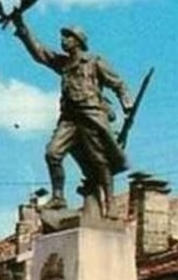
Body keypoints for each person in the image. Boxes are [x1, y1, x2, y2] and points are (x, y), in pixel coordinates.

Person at [11, 16, 134, 215]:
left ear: (78, 41)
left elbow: (117, 83)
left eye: (67, 38)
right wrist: (22, 27)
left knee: (99, 160)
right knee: (53, 153)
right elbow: (41, 53)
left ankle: (110, 203)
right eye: (62, 38)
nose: (63, 41)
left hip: (90, 115)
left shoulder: (94, 61)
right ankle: (58, 197)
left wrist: (126, 104)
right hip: (69, 118)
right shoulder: (64, 63)